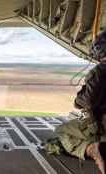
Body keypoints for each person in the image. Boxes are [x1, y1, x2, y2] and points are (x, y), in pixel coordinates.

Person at [45, 31, 106, 174]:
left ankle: (92, 149)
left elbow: (88, 102)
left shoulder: (99, 71)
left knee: (60, 131)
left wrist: (77, 101)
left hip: (101, 124)